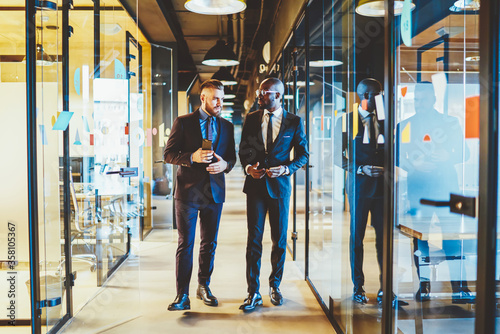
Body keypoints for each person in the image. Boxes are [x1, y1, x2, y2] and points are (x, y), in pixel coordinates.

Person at [163, 79, 236, 311]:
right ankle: (181, 295)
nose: (219, 103)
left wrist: (225, 165)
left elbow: (232, 158)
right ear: (203, 98)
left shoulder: (227, 126)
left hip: (214, 194)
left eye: (222, 99)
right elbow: (169, 154)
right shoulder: (183, 123)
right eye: (215, 98)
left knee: (209, 244)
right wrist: (191, 157)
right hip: (187, 194)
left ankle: (203, 286)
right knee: (186, 244)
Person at [397, 82, 472, 303]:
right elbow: (396, 155)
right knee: (420, 240)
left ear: (433, 99)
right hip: (418, 188)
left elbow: (464, 153)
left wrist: (447, 157)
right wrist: (413, 167)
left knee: (453, 238)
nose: (419, 103)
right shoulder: (404, 125)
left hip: (447, 187)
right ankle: (424, 286)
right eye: (416, 99)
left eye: (423, 98)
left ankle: (460, 288)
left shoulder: (450, 123)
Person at [238, 77, 309, 312]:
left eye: (265, 92)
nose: (260, 95)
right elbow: (244, 150)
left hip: (280, 188)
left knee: (279, 241)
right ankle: (252, 292)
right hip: (256, 188)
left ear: (278, 96)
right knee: (254, 241)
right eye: (259, 91)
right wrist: (249, 168)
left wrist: (287, 168)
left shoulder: (294, 122)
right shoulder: (251, 119)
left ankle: (275, 286)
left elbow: (304, 155)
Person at [344, 78, 396, 306]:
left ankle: (386, 288)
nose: (380, 98)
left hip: (382, 189)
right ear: (365, 96)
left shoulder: (386, 121)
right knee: (357, 238)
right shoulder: (347, 120)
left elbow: (394, 151)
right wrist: (360, 168)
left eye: (381, 94)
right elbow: (337, 156)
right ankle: (358, 287)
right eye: (377, 94)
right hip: (358, 187)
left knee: (384, 239)